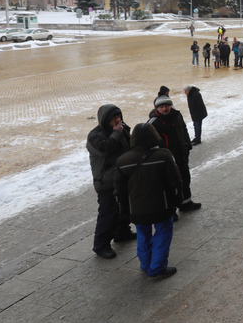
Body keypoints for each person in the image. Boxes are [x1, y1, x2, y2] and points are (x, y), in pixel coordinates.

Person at [115, 123, 182, 280]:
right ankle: (157, 267)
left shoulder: (123, 160)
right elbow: (175, 181)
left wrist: (124, 210)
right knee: (163, 234)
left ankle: (146, 264)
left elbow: (120, 190)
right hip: (161, 206)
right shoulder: (164, 155)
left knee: (143, 235)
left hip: (137, 210)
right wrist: (177, 200)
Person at [87, 104, 137, 259]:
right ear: (105, 120)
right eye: (113, 117)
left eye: (118, 116)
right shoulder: (95, 136)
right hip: (105, 180)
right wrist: (116, 134)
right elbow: (103, 149)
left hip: (122, 176)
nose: (117, 120)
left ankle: (121, 232)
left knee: (125, 207)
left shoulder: (122, 128)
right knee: (108, 212)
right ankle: (101, 245)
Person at [148, 95, 202, 212]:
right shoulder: (153, 122)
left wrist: (187, 145)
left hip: (181, 155)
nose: (164, 109)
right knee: (169, 184)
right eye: (161, 107)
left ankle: (186, 203)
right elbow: (149, 141)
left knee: (185, 179)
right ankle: (170, 210)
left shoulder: (177, 115)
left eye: (166, 106)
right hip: (166, 159)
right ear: (157, 108)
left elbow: (184, 129)